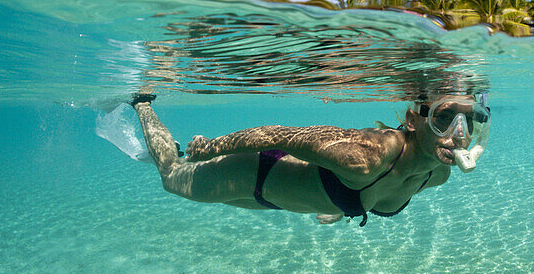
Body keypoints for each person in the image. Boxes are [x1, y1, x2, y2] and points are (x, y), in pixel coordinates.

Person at [130, 94, 490, 226]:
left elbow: (370, 194)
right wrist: (212, 148)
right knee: (172, 177)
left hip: (275, 202)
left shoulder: (436, 175)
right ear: (414, 121)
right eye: (444, 117)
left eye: (469, 119)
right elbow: (277, 135)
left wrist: (343, 205)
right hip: (255, 171)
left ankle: (174, 146)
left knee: (194, 184)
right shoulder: (364, 158)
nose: (459, 133)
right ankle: (142, 103)